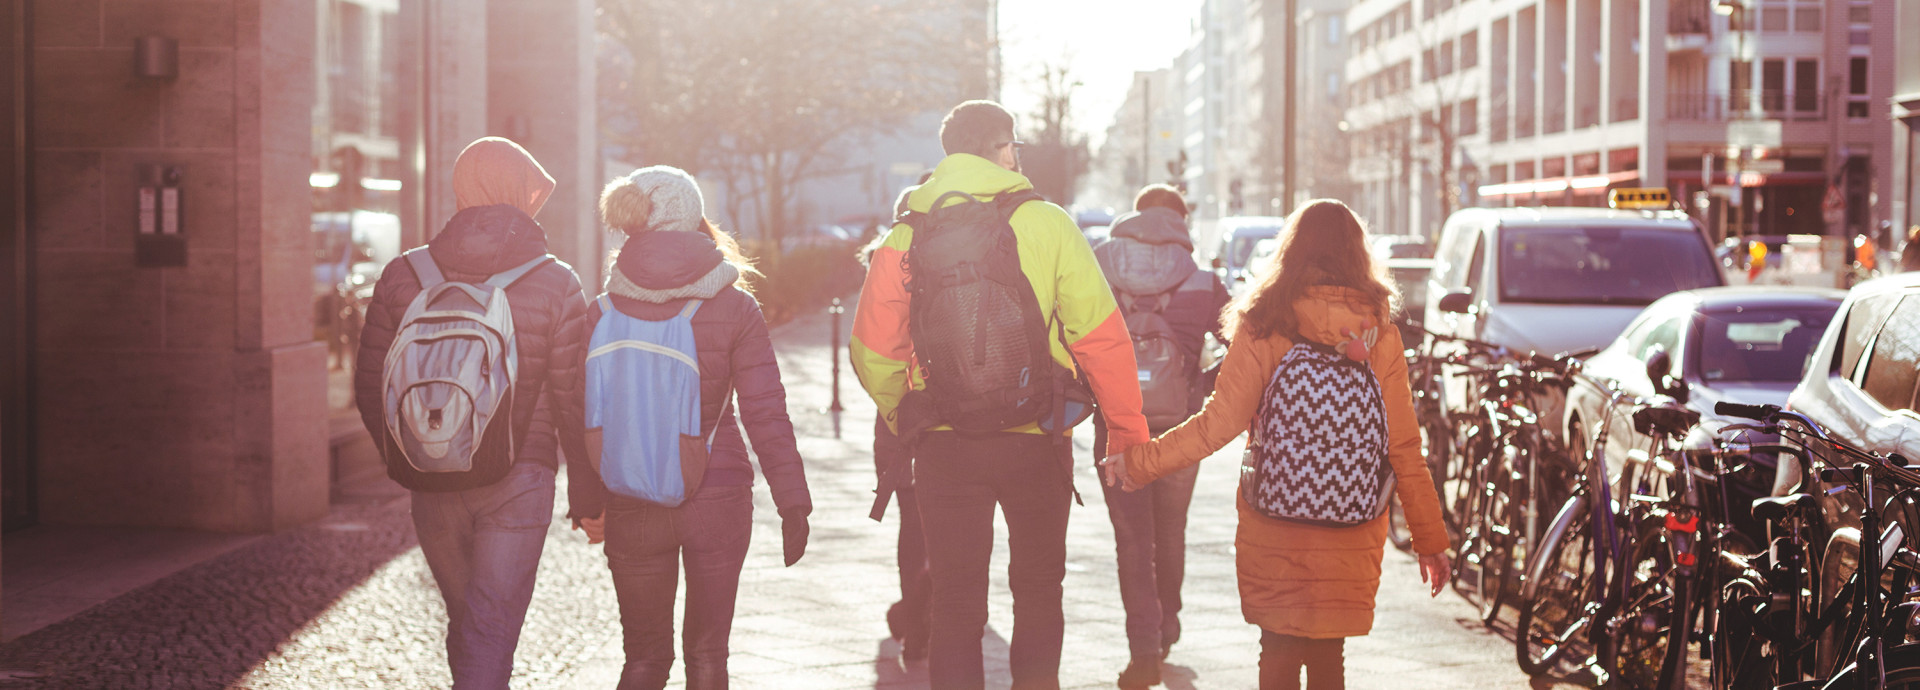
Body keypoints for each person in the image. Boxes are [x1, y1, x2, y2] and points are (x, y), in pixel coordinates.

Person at [850, 100, 1149, 690]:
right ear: (1001, 148)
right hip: (1036, 437)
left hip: (945, 445)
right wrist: (1127, 431)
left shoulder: (908, 231)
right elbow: (1100, 337)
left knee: (956, 603)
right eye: (1015, 146)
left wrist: (907, 409)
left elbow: (872, 351)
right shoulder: (1048, 222)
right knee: (1038, 589)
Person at [1099, 200, 1451, 690]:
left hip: (1274, 520)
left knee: (1279, 650)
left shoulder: (1265, 324)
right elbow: (1404, 447)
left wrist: (1139, 464)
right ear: (1358, 255)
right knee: (1330, 656)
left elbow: (1216, 424)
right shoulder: (1378, 333)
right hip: (1351, 525)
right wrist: (1431, 540)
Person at [353, 137, 591, 689]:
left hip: (433, 479)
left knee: (469, 624)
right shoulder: (557, 280)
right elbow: (570, 397)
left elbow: (369, 387)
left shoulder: (403, 273)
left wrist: (415, 450)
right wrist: (587, 491)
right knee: (488, 627)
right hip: (521, 475)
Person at [564, 166, 812, 690]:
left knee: (644, 659)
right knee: (707, 657)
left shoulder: (602, 311)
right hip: (718, 494)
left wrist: (587, 501)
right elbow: (766, 408)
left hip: (631, 496)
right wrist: (793, 501)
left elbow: (580, 412)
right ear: (695, 219)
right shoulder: (735, 305)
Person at [1089, 184, 1230, 688]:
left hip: (1116, 427)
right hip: (1179, 428)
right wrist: (1200, 388)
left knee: (1132, 541)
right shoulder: (1202, 279)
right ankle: (1167, 621)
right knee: (1171, 530)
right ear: (1181, 222)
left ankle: (1143, 649)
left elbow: (1064, 331)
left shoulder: (1098, 264)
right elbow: (1243, 343)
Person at [868, 174, 935, 661]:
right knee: (944, 528)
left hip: (899, 418)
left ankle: (915, 620)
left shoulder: (884, 264)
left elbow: (872, 350)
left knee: (913, 527)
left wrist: (894, 411)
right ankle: (920, 617)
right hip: (939, 418)